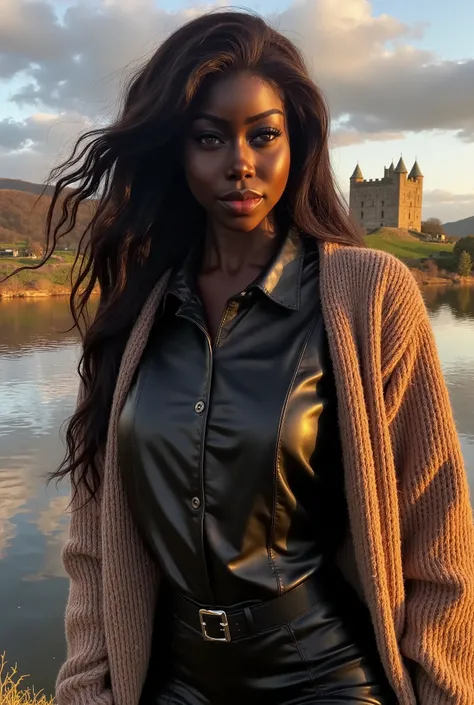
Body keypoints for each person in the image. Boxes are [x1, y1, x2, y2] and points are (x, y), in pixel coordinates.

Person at [30, 10, 473, 705]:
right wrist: (86, 687)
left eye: (263, 135)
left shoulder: (369, 295)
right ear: (179, 152)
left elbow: (438, 536)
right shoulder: (135, 312)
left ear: (295, 140)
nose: (239, 162)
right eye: (209, 138)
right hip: (170, 681)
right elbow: (93, 543)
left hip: (322, 676)